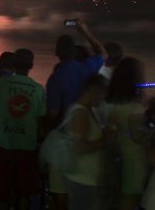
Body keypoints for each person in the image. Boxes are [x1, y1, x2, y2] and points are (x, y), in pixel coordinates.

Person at [45, 20, 105, 208]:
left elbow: (53, 113)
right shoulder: (87, 67)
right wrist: (85, 30)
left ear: (56, 53)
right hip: (87, 133)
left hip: (65, 140)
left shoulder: (55, 78)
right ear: (73, 52)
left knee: (59, 189)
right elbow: (102, 53)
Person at [0, 49, 46, 210]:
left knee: (1, 193)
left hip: (2, 144)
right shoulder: (38, 89)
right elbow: (40, 118)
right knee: (24, 193)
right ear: (31, 65)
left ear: (13, 65)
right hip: (27, 147)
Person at [102, 57, 148, 210]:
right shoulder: (134, 108)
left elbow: (110, 136)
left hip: (115, 159)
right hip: (134, 160)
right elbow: (137, 136)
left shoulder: (108, 102)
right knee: (129, 200)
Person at [63, 74, 107, 210]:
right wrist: (105, 140)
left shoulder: (91, 111)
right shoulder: (80, 113)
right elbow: (78, 147)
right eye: (103, 92)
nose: (104, 97)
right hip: (81, 180)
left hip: (88, 178)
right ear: (93, 90)